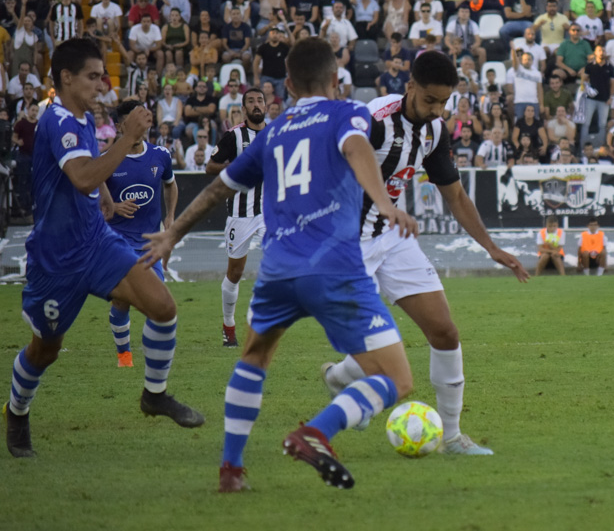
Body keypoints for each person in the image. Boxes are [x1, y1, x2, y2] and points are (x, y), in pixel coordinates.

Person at [142, 37, 419, 492]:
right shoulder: (348, 112)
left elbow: (217, 190)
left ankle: (231, 470)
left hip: (276, 271)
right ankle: (316, 433)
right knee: (396, 378)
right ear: (335, 79)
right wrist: (384, 203)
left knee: (254, 357)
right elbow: (356, 148)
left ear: (287, 84)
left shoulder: (273, 131)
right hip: (335, 269)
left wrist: (173, 232)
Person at [322, 50, 528, 457]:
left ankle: (451, 437)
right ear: (410, 86)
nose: (436, 109)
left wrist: (491, 247)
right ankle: (346, 389)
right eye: (429, 100)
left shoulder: (435, 131)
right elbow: (332, 177)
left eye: (444, 102)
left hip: (394, 237)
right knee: (379, 351)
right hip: (348, 244)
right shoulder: (372, 121)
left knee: (445, 332)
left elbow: (455, 195)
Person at [6, 39, 203, 459]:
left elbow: (88, 183)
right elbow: (81, 177)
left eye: (102, 76)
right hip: (57, 260)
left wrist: (107, 202)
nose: (102, 85)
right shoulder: (57, 118)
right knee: (46, 350)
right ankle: (17, 411)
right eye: (93, 76)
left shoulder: (81, 121)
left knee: (163, 306)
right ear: (66, 78)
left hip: (96, 242)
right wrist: (127, 136)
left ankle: (154, 394)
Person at [103, 100, 178, 368]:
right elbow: (91, 196)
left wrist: (169, 217)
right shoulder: (109, 159)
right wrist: (112, 205)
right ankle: (124, 357)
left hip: (149, 245)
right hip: (118, 243)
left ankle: (155, 364)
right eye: (135, 119)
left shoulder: (160, 155)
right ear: (121, 126)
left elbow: (170, 185)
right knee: (123, 301)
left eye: (144, 118)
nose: (142, 124)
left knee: (158, 304)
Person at [204, 89, 269, 348]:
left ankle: (263, 325)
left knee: (279, 265)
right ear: (243, 108)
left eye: (260, 101)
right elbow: (210, 167)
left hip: (270, 213)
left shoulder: (276, 134)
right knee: (235, 272)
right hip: (240, 214)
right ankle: (228, 326)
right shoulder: (234, 136)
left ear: (266, 105)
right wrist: (237, 167)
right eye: (251, 101)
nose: (256, 105)